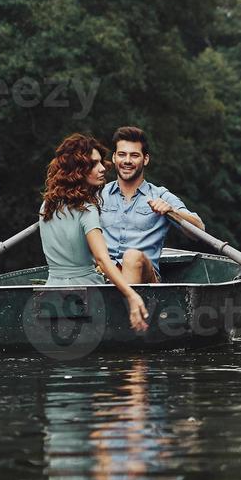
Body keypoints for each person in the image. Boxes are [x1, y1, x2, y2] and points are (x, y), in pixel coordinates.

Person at [39, 133, 150, 333]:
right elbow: (102, 259)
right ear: (78, 170)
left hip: (51, 293)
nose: (102, 168)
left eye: (101, 162)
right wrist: (132, 295)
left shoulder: (47, 205)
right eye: (94, 164)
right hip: (86, 293)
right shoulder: (87, 209)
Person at [99, 126, 206, 283]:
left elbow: (199, 230)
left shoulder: (160, 195)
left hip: (145, 282)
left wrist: (172, 211)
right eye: (122, 154)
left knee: (132, 257)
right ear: (114, 157)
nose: (127, 161)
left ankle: (131, 305)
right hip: (103, 277)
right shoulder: (98, 194)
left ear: (146, 159)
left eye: (134, 155)